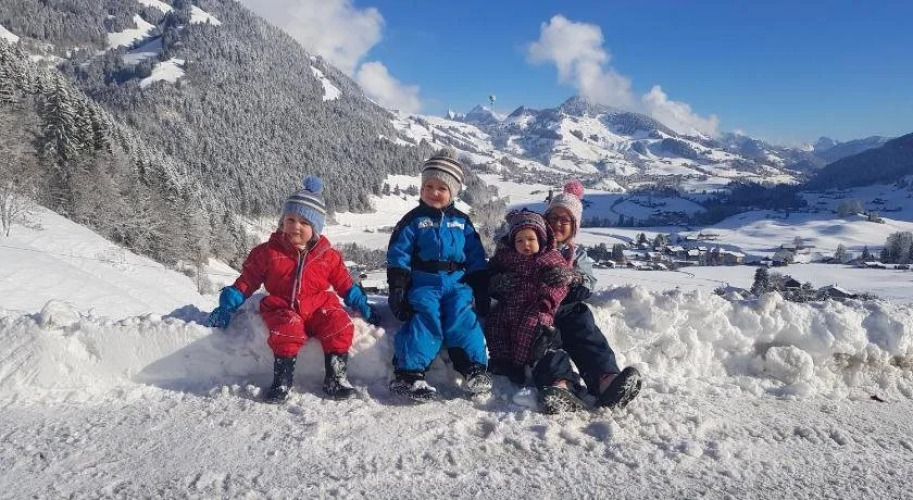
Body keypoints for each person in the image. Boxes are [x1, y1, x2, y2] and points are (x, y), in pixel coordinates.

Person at [208, 176, 379, 404]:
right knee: (287, 328)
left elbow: (345, 284)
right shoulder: (268, 252)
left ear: (315, 229)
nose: (295, 226)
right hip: (282, 305)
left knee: (339, 324)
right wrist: (226, 306)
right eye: (290, 219)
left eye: (304, 223)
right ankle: (282, 381)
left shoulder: (327, 256)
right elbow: (247, 282)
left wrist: (361, 304)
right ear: (282, 222)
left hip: (318, 305)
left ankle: (336, 379)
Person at [385, 148, 491, 402]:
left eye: (441, 188)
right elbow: (399, 254)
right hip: (424, 282)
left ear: (453, 192)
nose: (433, 192)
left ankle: (473, 368)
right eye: (428, 186)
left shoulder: (462, 222)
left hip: (457, 284)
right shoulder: (413, 220)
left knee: (462, 317)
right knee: (426, 317)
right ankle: (409, 373)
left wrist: (481, 287)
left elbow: (475, 256)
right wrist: (398, 287)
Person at [540, 179, 642, 409]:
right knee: (545, 343)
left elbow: (588, 282)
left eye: (565, 220)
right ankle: (560, 384)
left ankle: (605, 379)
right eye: (552, 217)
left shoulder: (577, 256)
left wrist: (573, 279)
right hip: (538, 309)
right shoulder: (533, 245)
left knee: (585, 330)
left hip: (566, 308)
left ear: (574, 227)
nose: (557, 223)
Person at [485, 209, 583, 414]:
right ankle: (504, 363)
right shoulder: (506, 258)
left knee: (533, 331)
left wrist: (548, 299)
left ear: (541, 239)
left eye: (531, 239)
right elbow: (489, 274)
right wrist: (496, 283)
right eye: (519, 240)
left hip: (536, 306)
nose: (525, 244)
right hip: (510, 305)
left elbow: (560, 285)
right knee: (495, 325)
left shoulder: (550, 259)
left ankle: (550, 379)